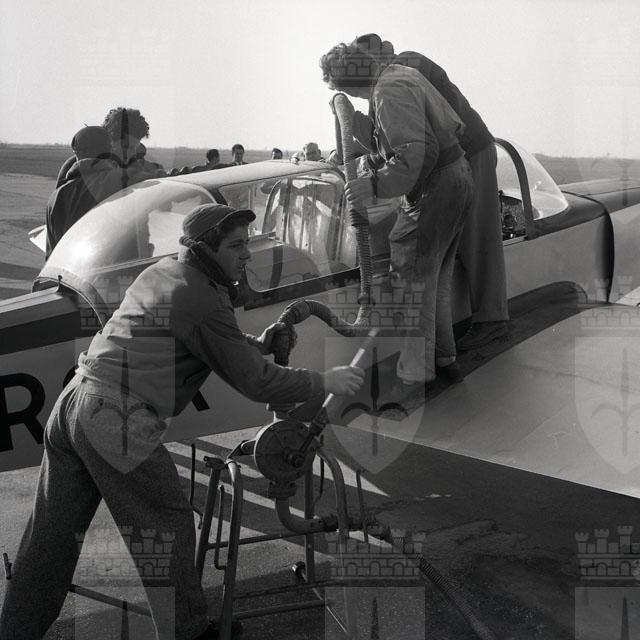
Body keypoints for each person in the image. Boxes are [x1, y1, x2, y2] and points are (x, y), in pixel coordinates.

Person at [0, 203, 364, 640]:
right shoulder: (202, 296)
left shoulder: (166, 272)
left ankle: (15, 629)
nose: (247, 254)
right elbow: (256, 382)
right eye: (236, 246)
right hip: (115, 419)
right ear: (207, 249)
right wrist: (324, 380)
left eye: (247, 243)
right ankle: (189, 632)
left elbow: (199, 334)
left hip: (74, 404)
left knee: (49, 539)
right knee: (167, 525)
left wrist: (258, 344)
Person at [320, 43, 473, 396]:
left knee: (410, 284)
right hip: (457, 178)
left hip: (437, 187)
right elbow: (405, 140)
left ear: (347, 83)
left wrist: (372, 185)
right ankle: (445, 360)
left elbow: (417, 152)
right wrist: (359, 132)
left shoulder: (388, 91)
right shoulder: (400, 76)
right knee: (435, 280)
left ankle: (414, 379)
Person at [352, 34, 509, 350]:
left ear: (382, 52)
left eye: (365, 60)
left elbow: (415, 137)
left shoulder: (404, 67)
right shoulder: (389, 79)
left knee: (478, 238)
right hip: (450, 163)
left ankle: (492, 320)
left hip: (469, 153)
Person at [45, 126, 144, 258]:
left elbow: (51, 253)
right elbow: (158, 179)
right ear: (109, 151)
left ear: (77, 153)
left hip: (70, 266)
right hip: (107, 265)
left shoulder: (57, 195)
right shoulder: (117, 180)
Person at [102, 107, 167, 177]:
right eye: (125, 147)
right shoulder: (97, 169)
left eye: (135, 148)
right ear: (109, 141)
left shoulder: (140, 163)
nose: (132, 153)